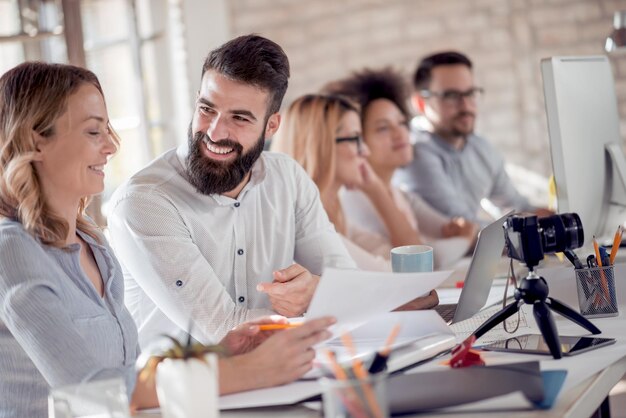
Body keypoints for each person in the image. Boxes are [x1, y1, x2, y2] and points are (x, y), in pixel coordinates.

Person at [0, 62, 334, 417]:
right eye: (93, 132)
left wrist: (219, 354)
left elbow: (125, 374)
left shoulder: (92, 242)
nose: (111, 145)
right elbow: (91, 392)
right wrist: (245, 371)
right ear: (38, 139)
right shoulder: (12, 252)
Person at [107, 34, 355, 347]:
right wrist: (317, 303)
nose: (214, 132)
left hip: (285, 374)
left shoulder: (288, 178)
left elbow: (348, 284)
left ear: (272, 126)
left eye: (239, 118)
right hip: (182, 390)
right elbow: (226, 332)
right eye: (207, 109)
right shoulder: (145, 201)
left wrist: (319, 291)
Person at [271, 93, 438, 308]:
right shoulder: (305, 220)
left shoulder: (336, 210)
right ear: (321, 146)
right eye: (354, 139)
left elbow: (412, 261)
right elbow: (398, 278)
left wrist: (376, 190)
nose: (365, 151)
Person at [322, 68, 477, 269]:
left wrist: (465, 234)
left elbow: (461, 230)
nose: (400, 134)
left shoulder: (401, 195)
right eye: (383, 128)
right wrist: (463, 239)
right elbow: (421, 261)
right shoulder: (354, 200)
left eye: (402, 123)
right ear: (360, 139)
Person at [393, 51, 552, 225]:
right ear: (421, 103)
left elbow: (516, 207)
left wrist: (556, 218)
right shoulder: (413, 152)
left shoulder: (480, 148)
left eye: (470, 93)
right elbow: (461, 225)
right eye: (451, 96)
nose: (466, 105)